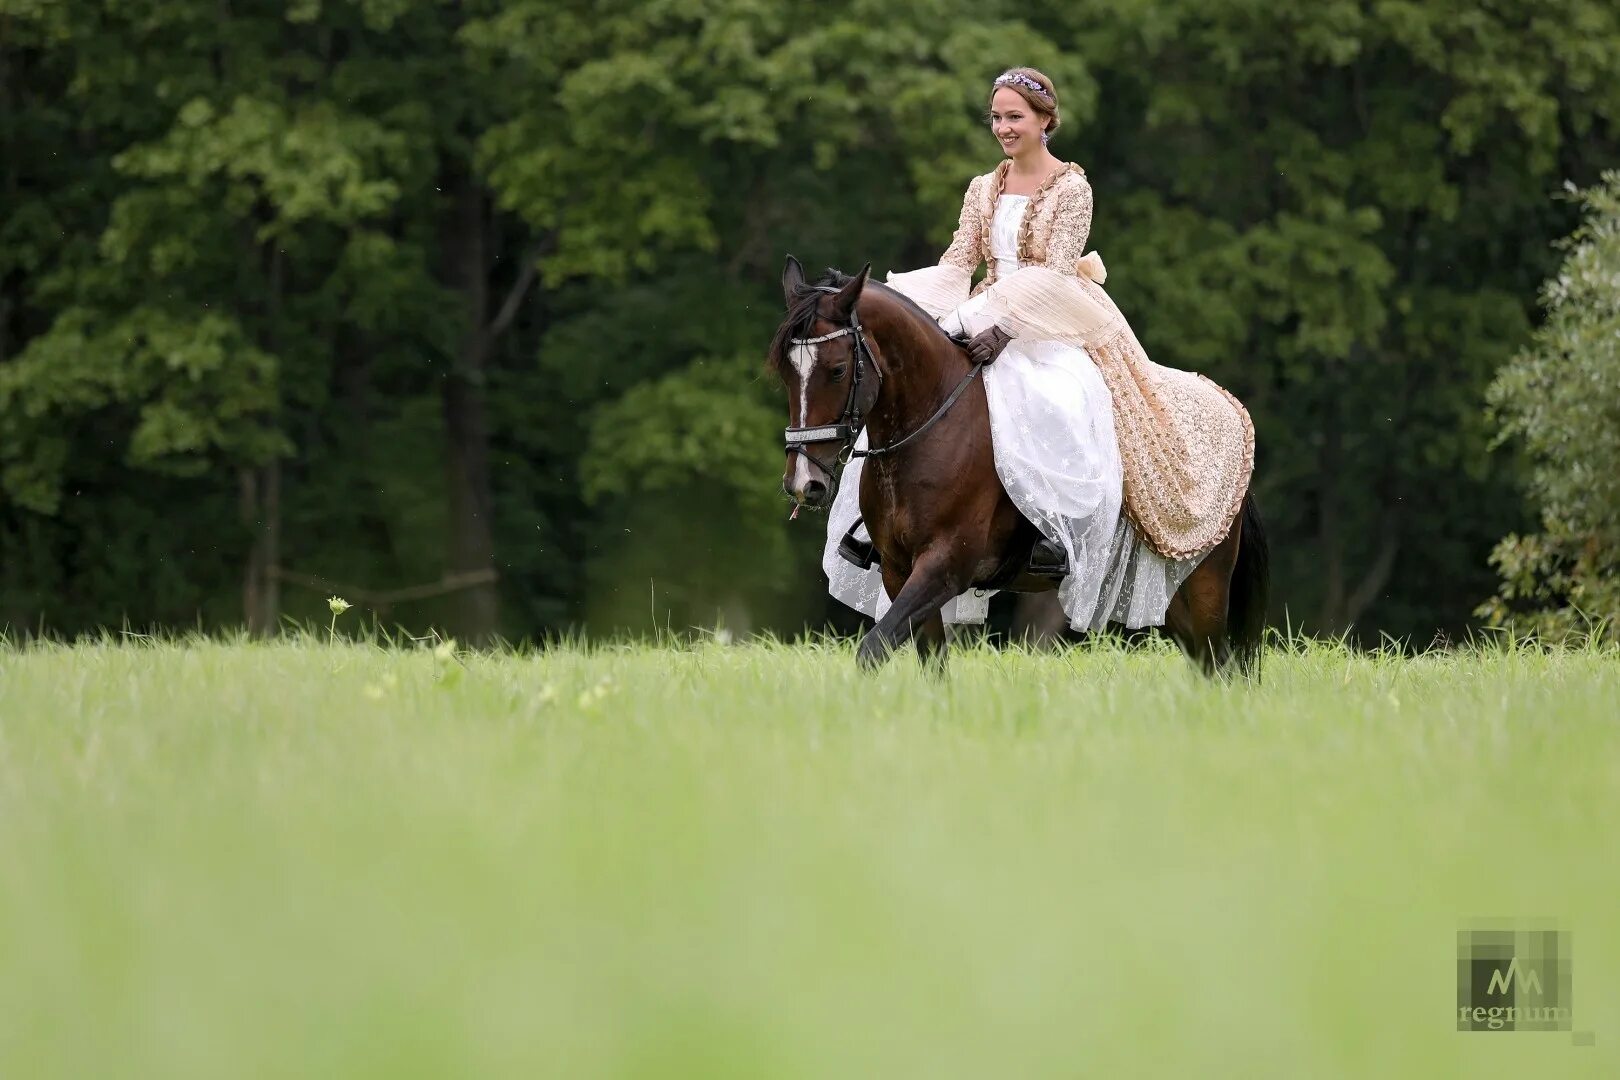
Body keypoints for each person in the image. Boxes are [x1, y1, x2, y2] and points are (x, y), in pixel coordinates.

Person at [822, 66, 1254, 632]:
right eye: (997, 117)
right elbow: (959, 263)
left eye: (1014, 117)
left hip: (1052, 321)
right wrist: (893, 300)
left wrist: (1006, 329)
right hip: (985, 305)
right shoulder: (983, 187)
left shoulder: (1072, 188)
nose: (1003, 127)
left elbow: (1052, 275)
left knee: (1059, 403)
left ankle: (1053, 534)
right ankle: (877, 531)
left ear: (1045, 121)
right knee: (912, 395)